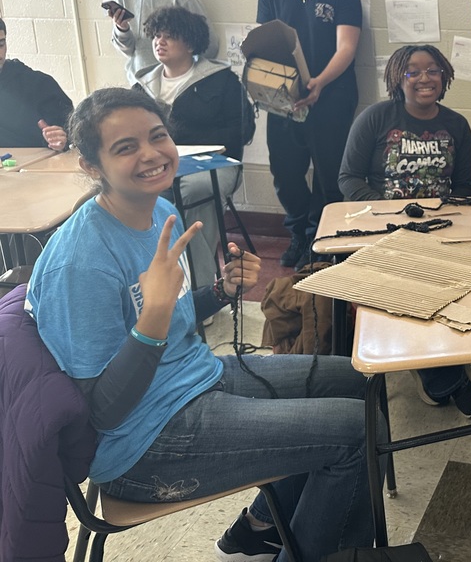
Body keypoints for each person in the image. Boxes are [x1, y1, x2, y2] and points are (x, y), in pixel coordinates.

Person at [25, 87, 376, 562]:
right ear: (91, 166)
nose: (151, 154)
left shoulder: (160, 212)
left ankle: (261, 528)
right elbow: (102, 413)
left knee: (362, 379)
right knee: (357, 431)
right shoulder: (81, 263)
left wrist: (219, 292)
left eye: (158, 136)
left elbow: (172, 318)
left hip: (197, 379)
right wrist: (152, 317)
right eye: (126, 147)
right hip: (144, 446)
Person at [338, 44, 471, 416]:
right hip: (386, 232)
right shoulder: (375, 118)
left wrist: (443, 223)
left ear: (444, 76)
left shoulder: (457, 124)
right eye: (413, 71)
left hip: (441, 228)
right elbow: (349, 178)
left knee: (459, 278)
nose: (424, 78)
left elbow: (464, 188)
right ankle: (440, 371)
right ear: (397, 78)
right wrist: (393, 214)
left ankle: (446, 358)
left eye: (433, 70)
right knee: (407, 284)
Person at [257, 0, 363, 270]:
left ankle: (320, 236)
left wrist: (318, 83)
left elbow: (346, 48)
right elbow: (266, 41)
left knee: (329, 174)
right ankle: (298, 231)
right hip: (283, 98)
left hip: (331, 96)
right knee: (285, 172)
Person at [134, 6, 251, 289]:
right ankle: (146, 284)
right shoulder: (142, 86)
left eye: (169, 36)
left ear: (189, 44)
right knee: (127, 190)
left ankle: (200, 289)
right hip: (159, 166)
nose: (159, 42)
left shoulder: (221, 80)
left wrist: (182, 136)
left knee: (193, 190)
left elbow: (242, 131)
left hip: (213, 164)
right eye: (156, 35)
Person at [0, 18, 72, 150]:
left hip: (37, 161)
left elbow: (71, 132)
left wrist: (60, 139)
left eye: (1, 44)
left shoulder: (39, 85)